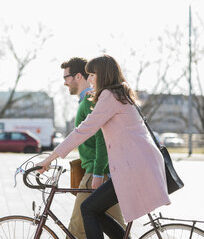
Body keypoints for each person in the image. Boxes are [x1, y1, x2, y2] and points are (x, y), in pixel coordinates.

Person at [38, 55, 171, 239]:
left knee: (88, 209)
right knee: (96, 210)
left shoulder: (109, 96)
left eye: (92, 74)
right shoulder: (119, 93)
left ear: (103, 75)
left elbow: (83, 131)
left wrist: (49, 159)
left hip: (132, 168)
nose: (90, 79)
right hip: (135, 165)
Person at [60, 57, 125, 239]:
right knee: (117, 227)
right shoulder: (88, 100)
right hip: (102, 171)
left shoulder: (90, 100)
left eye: (66, 78)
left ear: (78, 76)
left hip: (97, 172)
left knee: (77, 230)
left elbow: (100, 140)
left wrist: (97, 173)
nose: (64, 83)